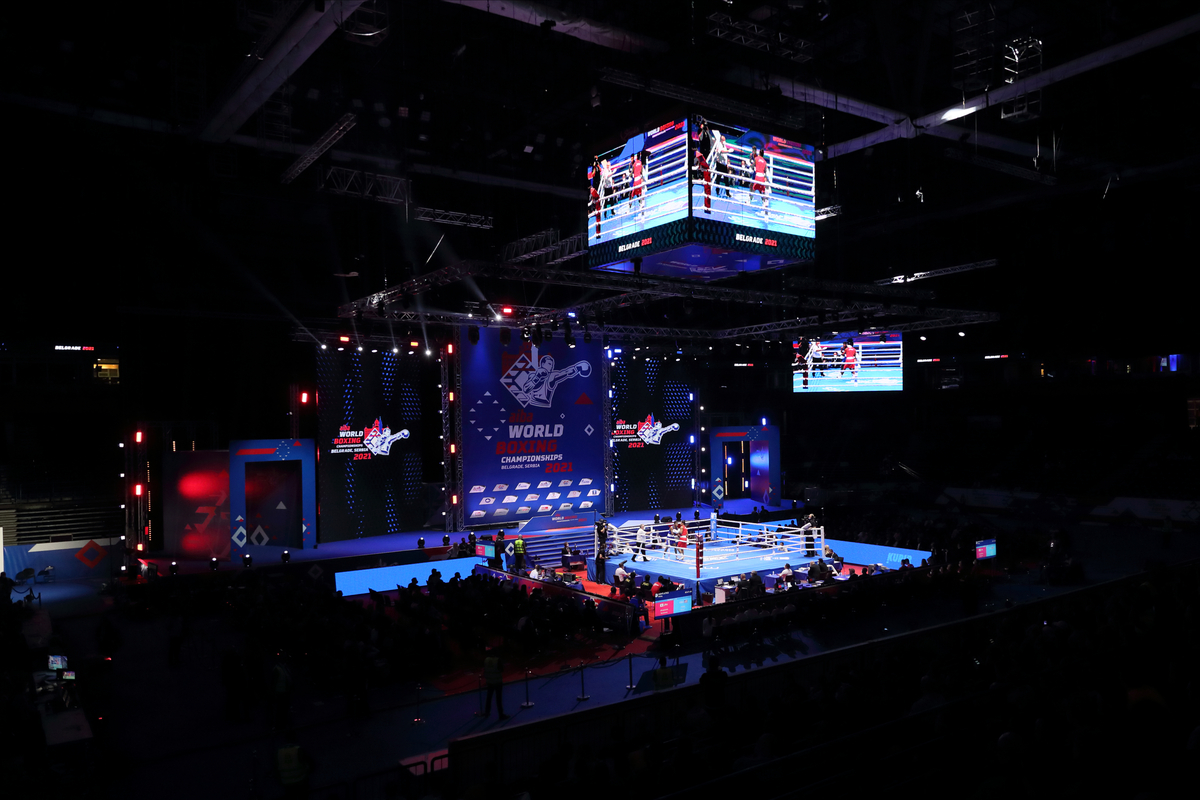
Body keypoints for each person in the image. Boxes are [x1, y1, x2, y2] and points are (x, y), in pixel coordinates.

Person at [482, 650, 509, 720]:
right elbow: (501, 669)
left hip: (489, 681)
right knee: (498, 699)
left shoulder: (486, 660)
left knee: (489, 698)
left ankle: (487, 712)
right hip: (497, 681)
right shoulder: (497, 660)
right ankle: (501, 714)